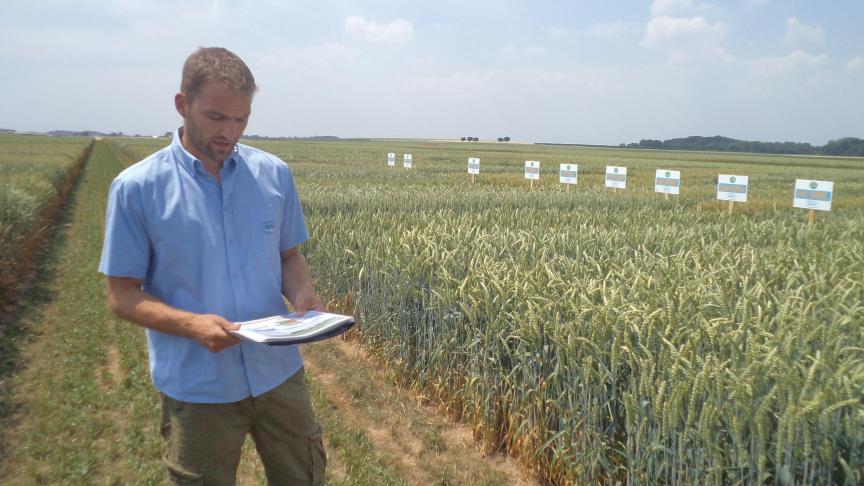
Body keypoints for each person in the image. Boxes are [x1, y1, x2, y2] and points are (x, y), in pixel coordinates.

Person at [98, 47, 326, 485]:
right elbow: (121, 295)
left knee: (305, 476)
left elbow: (288, 256)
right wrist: (193, 326)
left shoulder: (274, 175)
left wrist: (301, 292)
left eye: (241, 119)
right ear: (182, 105)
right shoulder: (137, 189)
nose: (231, 132)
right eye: (217, 117)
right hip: (198, 386)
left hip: (278, 373)